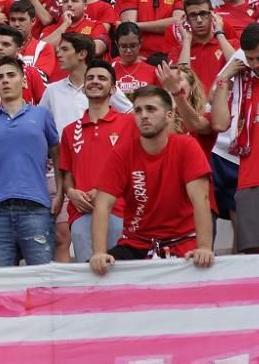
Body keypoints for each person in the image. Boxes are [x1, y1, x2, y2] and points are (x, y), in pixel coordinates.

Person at [90, 86, 215, 274]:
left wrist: (205, 247)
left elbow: (201, 200)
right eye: (138, 110)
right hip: (136, 245)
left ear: (169, 116)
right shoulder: (122, 153)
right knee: (88, 277)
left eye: (151, 109)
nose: (144, 116)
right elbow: (102, 204)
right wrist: (99, 253)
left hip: (183, 244)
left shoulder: (187, 146)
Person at [210, 23, 259, 254]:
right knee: (255, 258)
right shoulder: (241, 84)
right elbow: (220, 124)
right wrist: (223, 80)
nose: (256, 65)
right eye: (250, 59)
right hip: (250, 182)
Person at [0, 56, 59, 267]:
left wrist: (60, 192)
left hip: (35, 207)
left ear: (24, 81)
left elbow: (58, 154)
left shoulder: (42, 115)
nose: (5, 81)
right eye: (0, 77)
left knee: (42, 278)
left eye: (11, 75)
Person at [57, 61, 136, 262]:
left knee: (121, 277)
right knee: (88, 277)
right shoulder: (69, 131)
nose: (95, 82)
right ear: (84, 87)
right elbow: (67, 174)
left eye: (102, 78)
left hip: (120, 210)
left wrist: (105, 190)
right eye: (90, 78)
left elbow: (137, 167)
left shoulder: (129, 124)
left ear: (113, 88)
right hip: (82, 212)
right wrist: (71, 192)